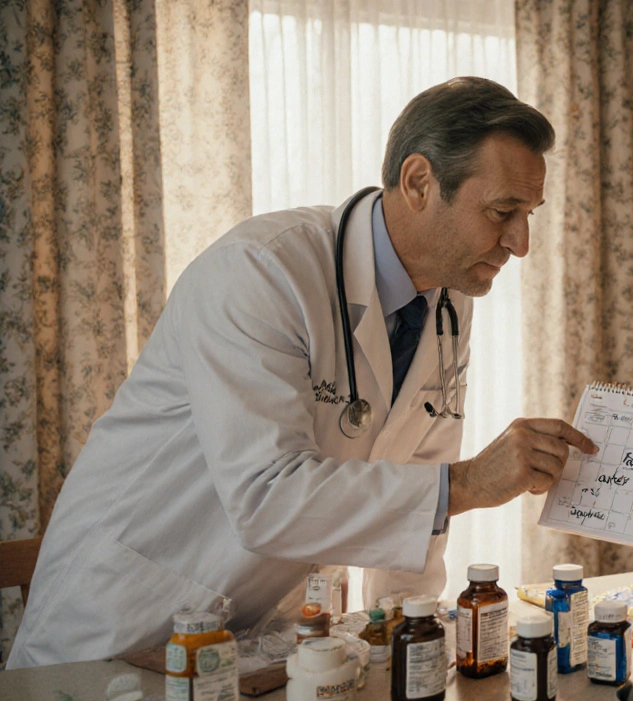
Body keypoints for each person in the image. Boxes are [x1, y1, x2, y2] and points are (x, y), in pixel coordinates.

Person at [7, 77, 596, 668]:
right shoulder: (262, 272)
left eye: (528, 215)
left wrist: (408, 626)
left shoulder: (448, 300)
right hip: (121, 618)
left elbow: (419, 460)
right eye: (502, 212)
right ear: (419, 182)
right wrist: (469, 483)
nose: (520, 244)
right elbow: (267, 494)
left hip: (255, 630)